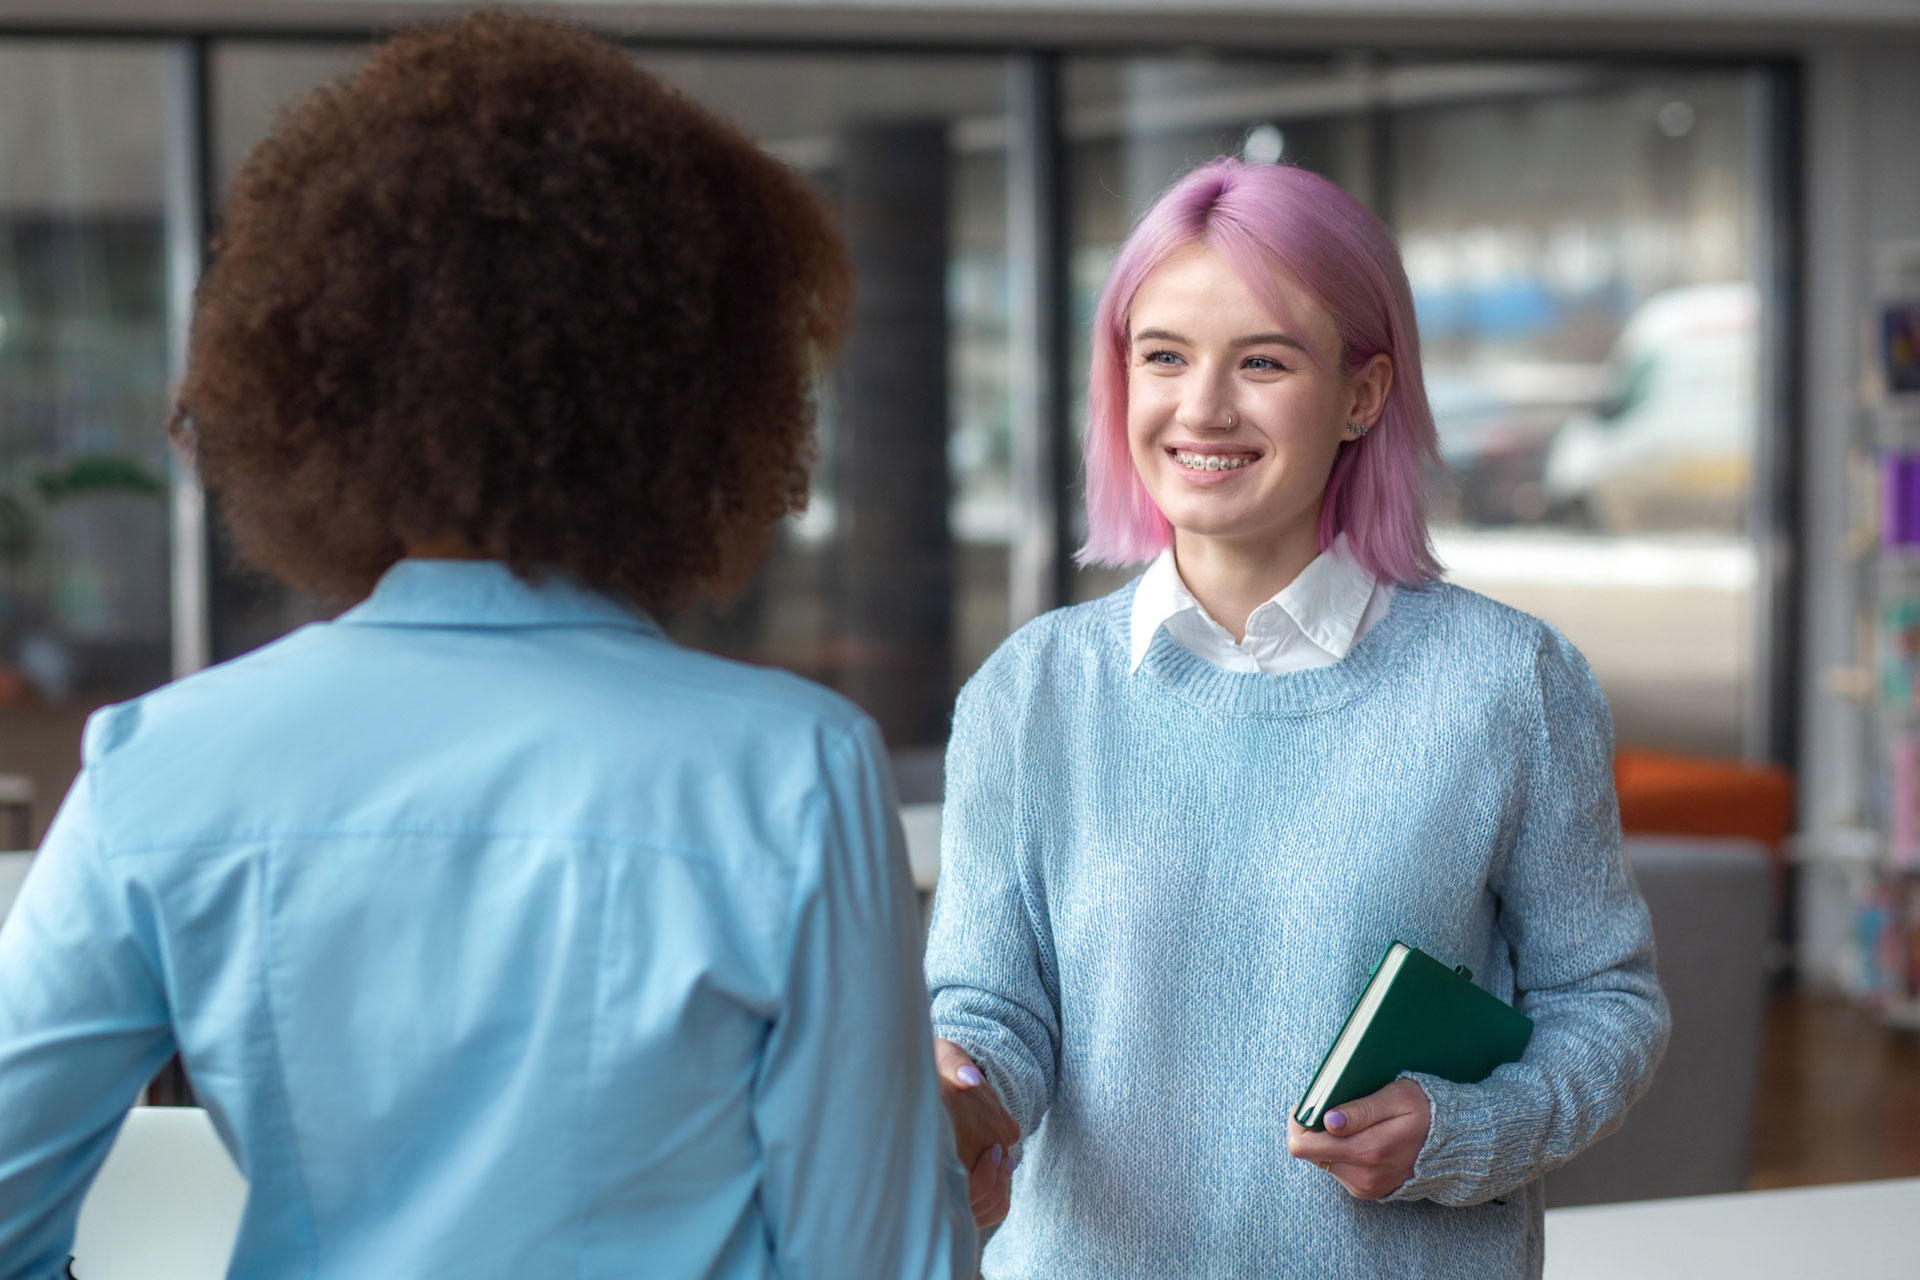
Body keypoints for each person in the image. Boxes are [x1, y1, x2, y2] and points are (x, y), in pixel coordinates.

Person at [0, 14, 975, 1278]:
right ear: (701, 395)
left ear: (309, 379)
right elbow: (875, 1262)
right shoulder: (792, 768)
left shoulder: (159, 764)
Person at [924, 158, 1670, 1277]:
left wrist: (1462, 1128)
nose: (1202, 407)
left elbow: (1606, 1005)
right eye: (1162, 356)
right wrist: (960, 1100)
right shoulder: (1027, 694)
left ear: (1363, 394)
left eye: (1262, 360)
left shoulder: (1510, 682)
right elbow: (988, 1014)